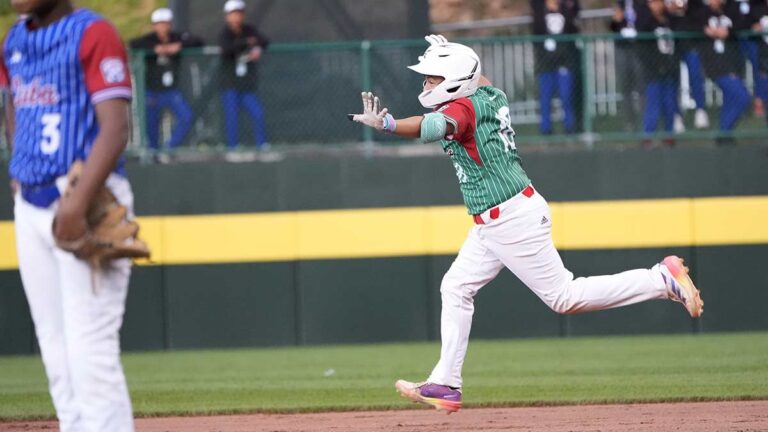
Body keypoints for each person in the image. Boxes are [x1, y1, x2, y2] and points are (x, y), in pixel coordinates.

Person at [349, 34, 704, 414]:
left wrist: (387, 123)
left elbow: (431, 126)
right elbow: (475, 78)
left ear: (455, 79)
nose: (426, 83)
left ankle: (659, 279)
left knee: (564, 297)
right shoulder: (489, 95)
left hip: (509, 219)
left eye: (434, 77)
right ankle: (447, 384)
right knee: (455, 287)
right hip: (499, 217)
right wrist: (453, 53)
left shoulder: (463, 110)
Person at [1, 0, 136, 431]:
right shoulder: (14, 40)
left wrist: (75, 207)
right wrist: (18, 169)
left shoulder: (93, 32)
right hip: (32, 203)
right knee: (57, 354)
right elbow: (15, 107)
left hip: (85, 199)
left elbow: (116, 127)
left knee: (89, 354)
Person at [129, 8, 203, 160]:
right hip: (152, 91)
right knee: (152, 126)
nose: (162, 28)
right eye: (159, 24)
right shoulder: (149, 40)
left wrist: (178, 46)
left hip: (171, 91)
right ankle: (154, 155)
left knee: (186, 116)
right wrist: (155, 49)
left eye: (165, 24)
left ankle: (169, 148)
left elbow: (197, 41)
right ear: (154, 26)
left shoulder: (177, 38)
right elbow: (134, 44)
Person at [218, 0, 270, 151]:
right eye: (233, 14)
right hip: (230, 84)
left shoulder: (249, 29)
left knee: (258, 113)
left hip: (246, 85)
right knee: (232, 118)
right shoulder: (225, 33)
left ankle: (263, 146)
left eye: (239, 14)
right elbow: (227, 49)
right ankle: (232, 148)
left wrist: (257, 48)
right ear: (227, 16)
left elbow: (264, 41)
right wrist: (247, 42)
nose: (236, 18)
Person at [699, 0, 751, 142]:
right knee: (742, 97)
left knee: (731, 100)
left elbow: (745, 23)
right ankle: (723, 132)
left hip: (733, 62)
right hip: (715, 63)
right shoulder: (701, 12)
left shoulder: (732, 8)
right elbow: (686, 24)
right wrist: (705, 29)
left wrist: (728, 32)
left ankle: (725, 135)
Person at [530, 0, 580, 135]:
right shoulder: (539, 10)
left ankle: (569, 127)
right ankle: (546, 129)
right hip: (545, 62)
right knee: (545, 97)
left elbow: (574, 23)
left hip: (564, 61)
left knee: (566, 95)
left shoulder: (567, 10)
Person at [637, 0, 679, 146]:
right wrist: (655, 65)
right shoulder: (645, 22)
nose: (655, 5)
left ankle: (669, 136)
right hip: (653, 72)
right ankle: (647, 138)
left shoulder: (669, 20)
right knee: (653, 105)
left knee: (669, 105)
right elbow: (642, 49)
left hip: (669, 70)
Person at [667, 0, 711, 130]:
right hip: (670, 44)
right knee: (672, 81)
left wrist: (687, 8)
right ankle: (676, 116)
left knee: (696, 76)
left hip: (690, 41)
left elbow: (701, 10)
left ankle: (700, 111)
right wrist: (669, 10)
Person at [724, 0, 768, 117]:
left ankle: (759, 100)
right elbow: (729, 20)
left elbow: (761, 17)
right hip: (735, 40)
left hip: (753, 40)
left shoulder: (757, 3)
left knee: (760, 69)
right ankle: (739, 101)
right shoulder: (730, 4)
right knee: (736, 70)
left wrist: (758, 25)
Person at [610, 0, 649, 132]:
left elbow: (646, 22)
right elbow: (612, 27)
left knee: (641, 85)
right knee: (626, 86)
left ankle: (646, 121)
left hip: (638, 47)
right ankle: (630, 121)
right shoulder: (620, 4)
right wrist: (616, 20)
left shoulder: (642, 5)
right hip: (622, 47)